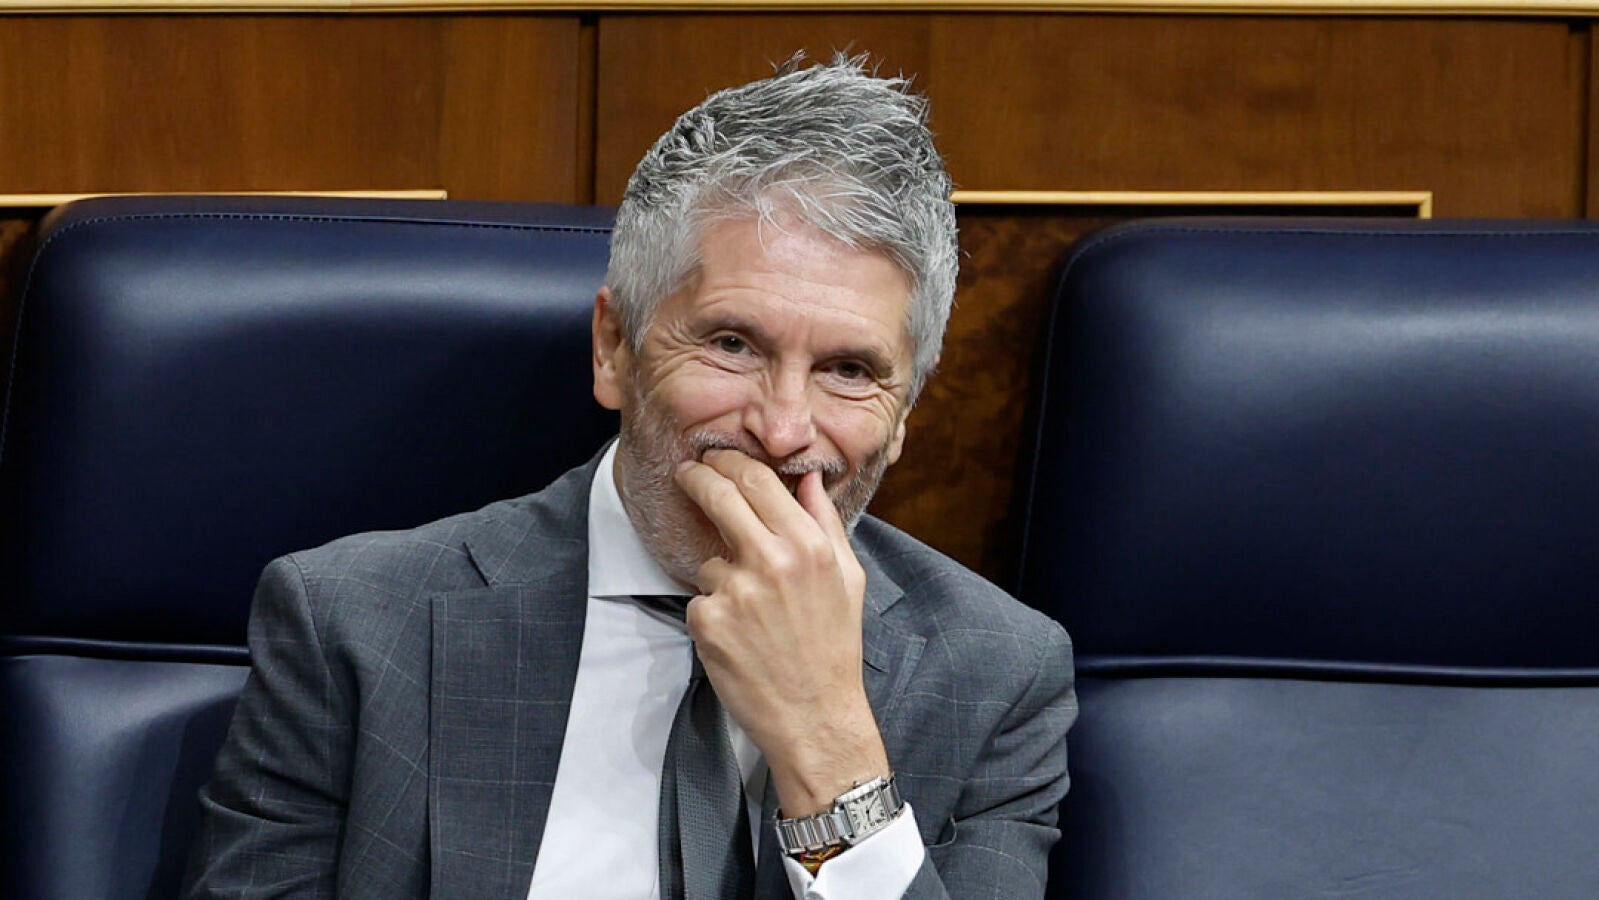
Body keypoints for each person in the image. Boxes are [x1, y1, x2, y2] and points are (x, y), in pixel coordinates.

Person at [184, 54, 1076, 900]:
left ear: (905, 410)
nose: (781, 431)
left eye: (849, 370)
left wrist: (825, 738)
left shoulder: (996, 673)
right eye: (732, 344)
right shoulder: (352, 625)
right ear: (615, 348)